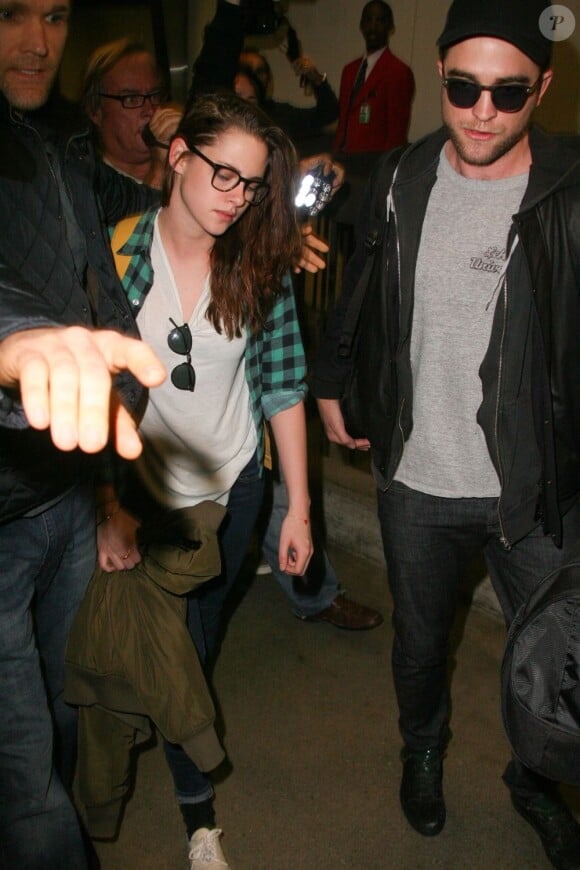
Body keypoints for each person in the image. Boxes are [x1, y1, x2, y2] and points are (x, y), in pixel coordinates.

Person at [312, 0, 580, 866]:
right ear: (439, 75)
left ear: (543, 87)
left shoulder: (570, 191)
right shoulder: (400, 176)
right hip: (419, 479)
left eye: (508, 93)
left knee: (554, 666)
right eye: (464, 87)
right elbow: (350, 285)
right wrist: (328, 382)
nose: (482, 112)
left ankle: (534, 780)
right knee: (421, 647)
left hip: (533, 489)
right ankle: (420, 752)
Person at [98, 91, 314, 869]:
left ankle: (170, 719)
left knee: (201, 641)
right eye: (223, 174)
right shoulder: (118, 249)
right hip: (146, 499)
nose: (237, 198)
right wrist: (107, 505)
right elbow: (92, 388)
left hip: (235, 492)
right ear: (179, 157)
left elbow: (283, 385)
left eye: (252, 185)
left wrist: (300, 513)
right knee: (178, 658)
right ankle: (200, 817)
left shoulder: (258, 261)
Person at [0, 1, 165, 867]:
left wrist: (108, 487)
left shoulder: (57, 150)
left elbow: (110, 301)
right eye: (10, 14)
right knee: (30, 790)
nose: (37, 42)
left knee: (63, 720)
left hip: (64, 500)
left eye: (55, 15)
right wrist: (15, 339)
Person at [188, 0, 384, 631]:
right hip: (195, 365)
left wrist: (303, 62)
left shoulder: (266, 173)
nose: (236, 187)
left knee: (275, 460)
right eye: (229, 98)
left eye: (252, 97)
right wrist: (232, 17)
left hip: (261, 337)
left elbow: (328, 122)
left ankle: (311, 591)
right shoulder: (181, 191)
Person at [190, 0, 339, 157]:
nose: (253, 79)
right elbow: (211, 65)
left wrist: (315, 78)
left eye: (259, 72)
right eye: (239, 98)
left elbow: (328, 113)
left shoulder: (279, 118)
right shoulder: (213, 122)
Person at [81, 37, 182, 187]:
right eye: (131, 99)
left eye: (154, 96)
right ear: (95, 111)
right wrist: (159, 171)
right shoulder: (88, 184)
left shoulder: (185, 166)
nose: (150, 110)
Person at [333, 0, 414, 159]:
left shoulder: (398, 72)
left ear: (390, 27)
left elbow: (396, 134)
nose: (373, 26)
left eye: (380, 20)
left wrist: (386, 172)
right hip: (342, 160)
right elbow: (343, 122)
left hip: (372, 165)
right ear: (361, 26)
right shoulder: (349, 71)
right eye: (368, 20)